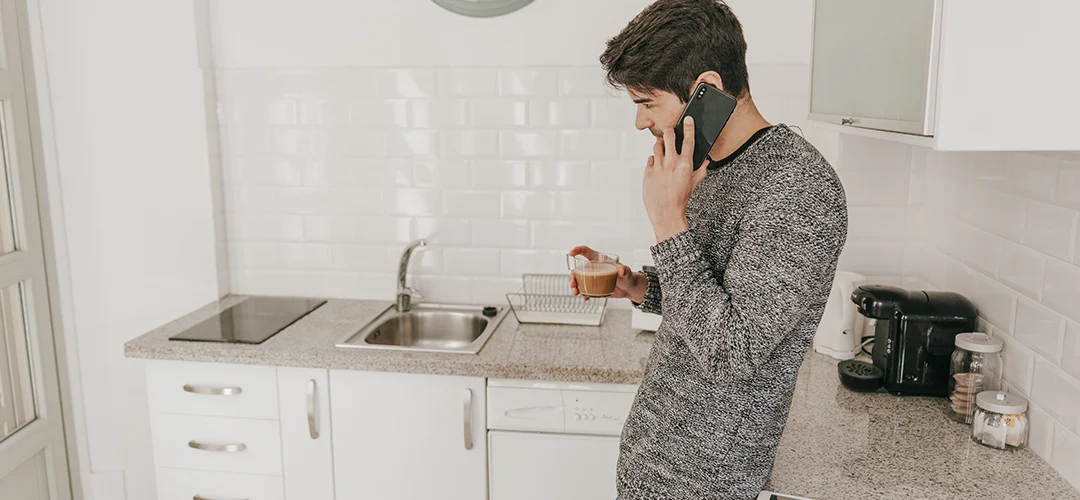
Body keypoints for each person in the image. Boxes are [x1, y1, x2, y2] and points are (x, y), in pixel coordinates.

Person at [567, 0, 849, 498]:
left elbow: (730, 352)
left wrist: (667, 221)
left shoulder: (798, 187)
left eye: (647, 102)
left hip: (705, 484)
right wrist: (641, 286)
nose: (639, 124)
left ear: (707, 90)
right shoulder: (709, 167)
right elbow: (713, 296)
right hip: (653, 465)